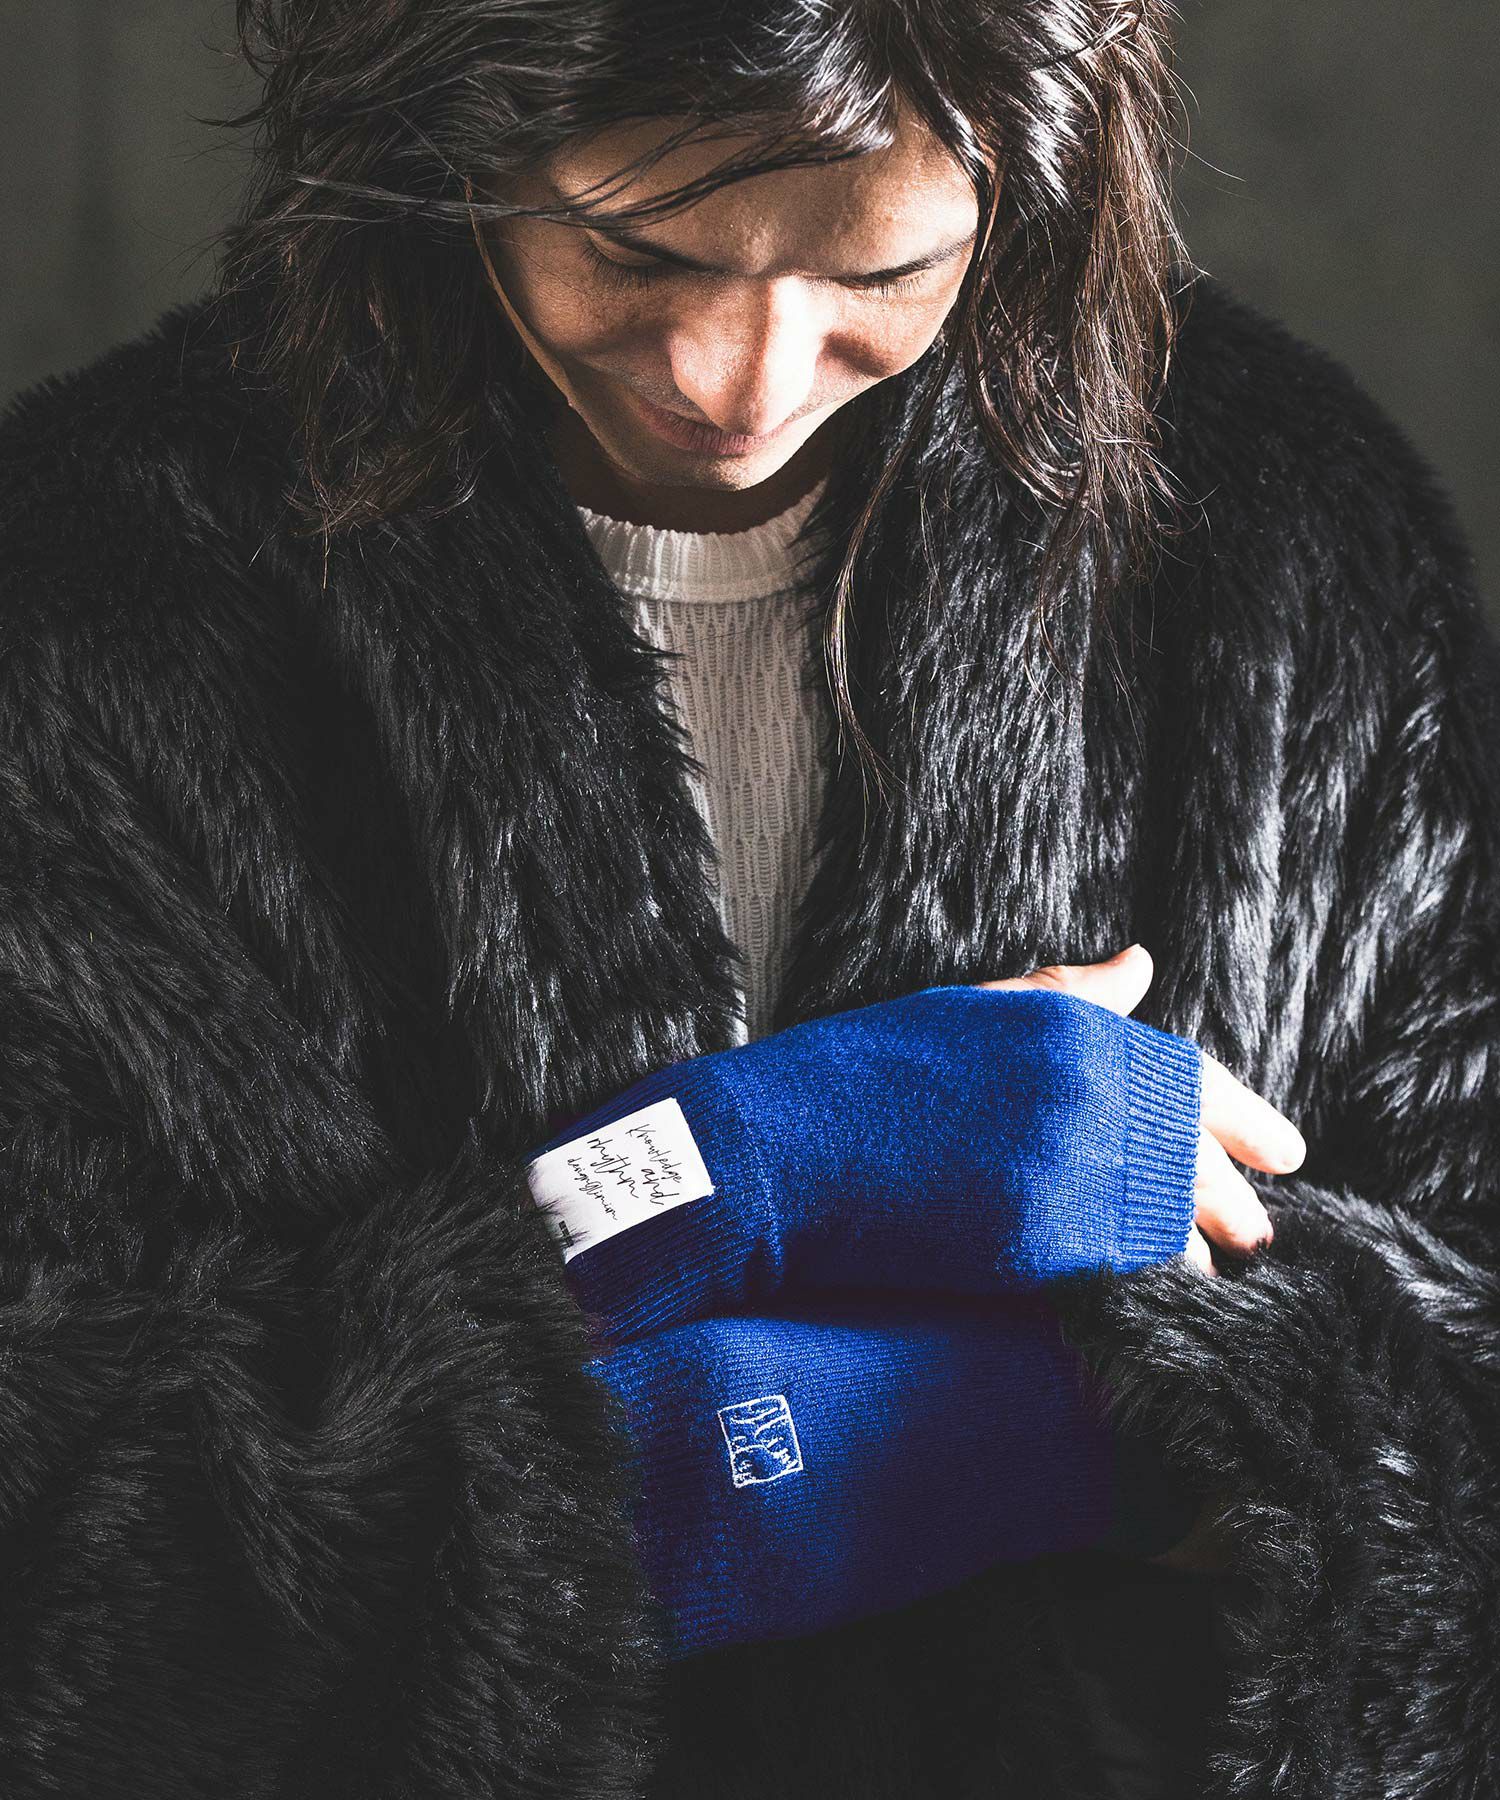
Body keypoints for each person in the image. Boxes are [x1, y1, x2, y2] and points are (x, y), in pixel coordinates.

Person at [0, 0, 1495, 1794]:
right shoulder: (85, 593)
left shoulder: (1282, 543)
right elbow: (60, 1544)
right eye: (637, 249)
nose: (740, 380)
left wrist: (1078, 1433)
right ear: (448, 136)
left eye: (881, 269)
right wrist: (764, 1177)